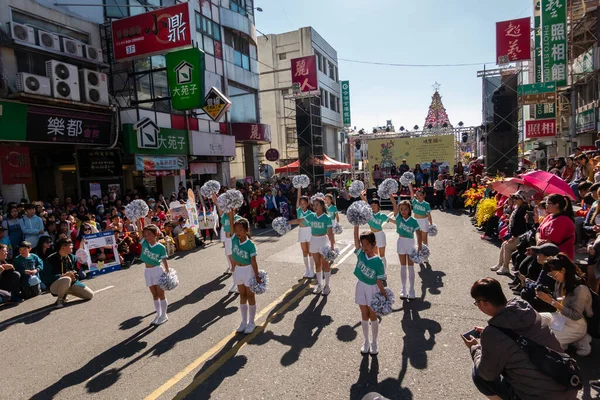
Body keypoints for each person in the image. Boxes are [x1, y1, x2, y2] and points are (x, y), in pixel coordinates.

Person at [465, 277, 578, 400]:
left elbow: (487, 374)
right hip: (567, 384)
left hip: (536, 396)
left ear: (484, 303)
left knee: (479, 374)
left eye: (477, 303)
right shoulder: (525, 309)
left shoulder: (493, 334)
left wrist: (475, 348)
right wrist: (491, 337)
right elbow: (518, 334)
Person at [536, 254, 593, 356]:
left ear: (563, 270)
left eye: (553, 275)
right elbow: (559, 299)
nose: (553, 278)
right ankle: (573, 340)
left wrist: (551, 301)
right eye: (550, 276)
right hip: (561, 317)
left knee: (546, 342)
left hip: (576, 323)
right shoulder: (561, 281)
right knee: (535, 319)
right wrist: (546, 295)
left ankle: (579, 338)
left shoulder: (580, 289)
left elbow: (576, 315)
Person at [289, 197, 335, 294]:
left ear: (322, 205)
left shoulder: (327, 218)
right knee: (317, 264)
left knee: (325, 264)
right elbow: (299, 220)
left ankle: (327, 285)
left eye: (317, 205)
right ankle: (319, 284)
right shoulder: (311, 215)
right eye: (314, 205)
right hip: (313, 240)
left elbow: (330, 234)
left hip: (323, 241)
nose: (315, 207)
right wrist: (287, 222)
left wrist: (332, 247)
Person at [353, 226, 387, 355]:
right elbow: (355, 241)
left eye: (367, 244)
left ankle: (374, 342)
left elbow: (379, 281)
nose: (364, 247)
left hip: (373, 289)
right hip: (361, 286)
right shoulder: (361, 254)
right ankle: (366, 341)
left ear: (374, 244)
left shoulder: (378, 261)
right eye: (363, 244)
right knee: (364, 314)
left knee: (373, 315)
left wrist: (384, 295)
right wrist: (356, 226)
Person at [228, 212, 261, 334]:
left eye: (240, 229)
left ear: (246, 230)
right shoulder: (234, 239)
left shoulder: (250, 245)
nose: (237, 231)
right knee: (242, 296)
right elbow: (231, 223)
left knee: (250, 296)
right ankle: (243, 321)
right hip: (238, 270)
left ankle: (251, 322)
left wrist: (257, 276)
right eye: (236, 229)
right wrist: (231, 209)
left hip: (248, 270)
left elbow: (253, 261)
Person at [44, 238, 94, 308]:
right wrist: (62, 276)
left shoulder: (72, 257)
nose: (72, 246)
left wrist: (74, 276)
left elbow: (76, 272)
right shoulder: (50, 259)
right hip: (54, 286)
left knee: (90, 295)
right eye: (70, 245)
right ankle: (60, 300)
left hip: (70, 283)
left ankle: (65, 292)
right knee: (66, 279)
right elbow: (46, 277)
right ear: (63, 247)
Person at [391, 194, 422, 299]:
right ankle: (404, 289)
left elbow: (418, 233)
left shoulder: (413, 221)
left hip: (410, 243)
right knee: (403, 266)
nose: (403, 211)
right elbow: (394, 205)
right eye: (401, 209)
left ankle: (412, 289)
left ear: (409, 210)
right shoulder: (398, 218)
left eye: (405, 209)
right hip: (401, 242)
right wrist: (390, 194)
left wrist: (420, 246)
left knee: (411, 267)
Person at [491, 191, 529, 275]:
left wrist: (514, 236)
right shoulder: (518, 207)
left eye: (516, 198)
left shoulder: (524, 209)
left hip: (520, 235)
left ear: (523, 199)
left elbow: (520, 225)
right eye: (513, 198)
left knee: (507, 246)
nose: (514, 200)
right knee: (504, 244)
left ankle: (505, 267)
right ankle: (500, 264)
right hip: (515, 234)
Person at [139, 224, 170, 325]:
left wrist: (167, 271)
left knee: (161, 294)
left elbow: (164, 260)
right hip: (147, 271)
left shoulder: (160, 247)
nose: (146, 237)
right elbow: (139, 230)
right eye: (145, 235)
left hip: (157, 270)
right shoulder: (145, 244)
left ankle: (164, 315)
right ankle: (158, 314)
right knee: (154, 295)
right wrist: (138, 219)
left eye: (149, 234)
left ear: (155, 235)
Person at [213, 193, 241, 293]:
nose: (227, 208)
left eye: (230, 207)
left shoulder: (237, 218)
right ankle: (237, 282)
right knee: (232, 264)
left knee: (235, 264)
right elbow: (217, 203)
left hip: (234, 241)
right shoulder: (224, 216)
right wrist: (212, 192)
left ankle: (237, 283)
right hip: (228, 241)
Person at [537, 194, 576, 260]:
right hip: (544, 250)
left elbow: (552, 241)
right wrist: (538, 240)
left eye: (548, 203)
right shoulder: (549, 216)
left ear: (556, 205)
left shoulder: (563, 220)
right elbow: (538, 230)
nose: (546, 205)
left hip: (559, 255)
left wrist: (539, 245)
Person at [360, 191, 390, 273]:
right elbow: (365, 203)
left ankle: (384, 272)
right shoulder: (369, 214)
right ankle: (376, 271)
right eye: (371, 205)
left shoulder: (382, 215)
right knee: (374, 254)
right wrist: (360, 194)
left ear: (378, 206)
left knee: (382, 255)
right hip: (372, 235)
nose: (373, 207)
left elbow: (393, 221)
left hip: (380, 235)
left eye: (375, 205)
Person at [295, 187, 315, 278]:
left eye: (304, 203)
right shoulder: (298, 210)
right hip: (301, 231)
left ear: (308, 203)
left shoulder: (310, 213)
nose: (302, 205)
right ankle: (306, 270)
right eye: (301, 203)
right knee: (304, 251)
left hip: (309, 231)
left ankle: (312, 270)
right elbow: (298, 197)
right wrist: (299, 187)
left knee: (310, 251)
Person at [409, 185, 433, 253]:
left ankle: (426, 255)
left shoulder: (426, 204)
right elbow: (411, 191)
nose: (419, 197)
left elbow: (429, 215)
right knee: (419, 239)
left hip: (424, 221)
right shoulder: (414, 202)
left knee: (424, 239)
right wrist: (409, 183)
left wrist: (431, 224)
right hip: (416, 222)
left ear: (424, 195)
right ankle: (419, 254)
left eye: (420, 195)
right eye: (417, 195)